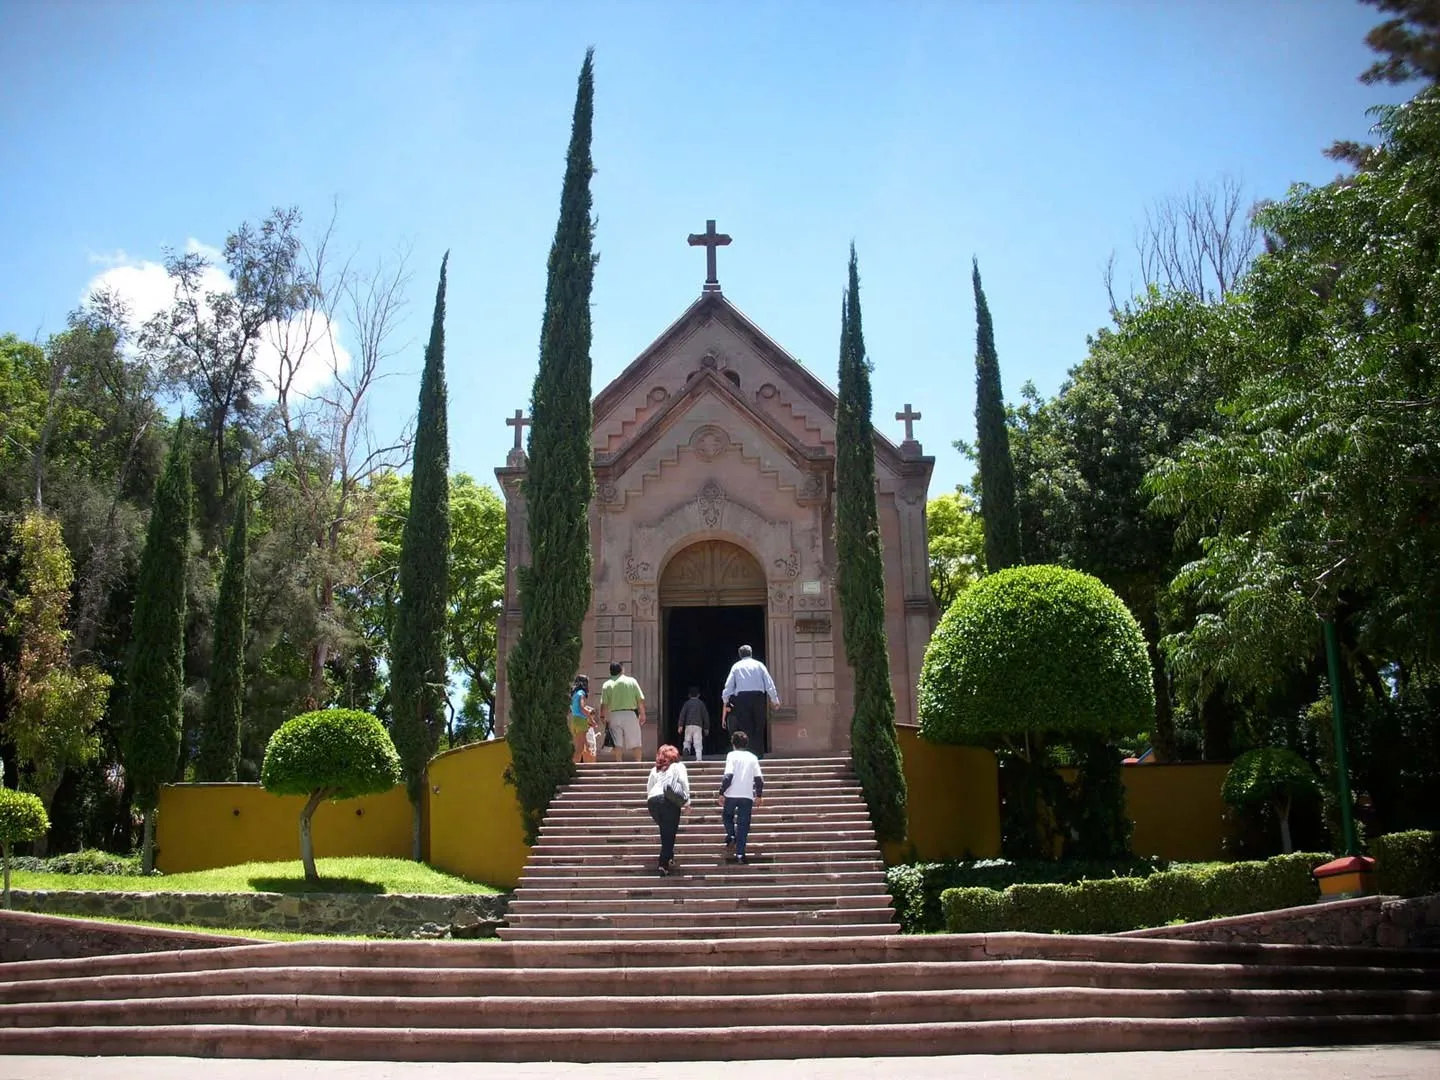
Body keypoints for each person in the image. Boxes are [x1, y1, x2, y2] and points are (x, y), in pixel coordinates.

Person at [721, 644, 779, 757]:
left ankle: (749, 754)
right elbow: (769, 683)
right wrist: (774, 699)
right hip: (758, 698)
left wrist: (725, 700)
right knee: (759, 725)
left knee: (745, 727)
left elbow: (728, 686)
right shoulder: (759, 665)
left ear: (740, 655)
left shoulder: (736, 667)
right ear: (751, 653)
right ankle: (758, 755)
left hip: (742, 699)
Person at [718, 730, 764, 864]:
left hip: (732, 793)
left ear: (733, 744)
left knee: (727, 815)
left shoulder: (731, 755)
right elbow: (759, 779)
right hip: (747, 795)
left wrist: (722, 792)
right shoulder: (753, 757)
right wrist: (759, 795)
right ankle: (740, 855)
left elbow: (728, 776)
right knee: (743, 825)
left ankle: (731, 835)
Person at [646, 744, 690, 876]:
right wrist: (687, 802)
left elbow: (649, 786)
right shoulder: (679, 766)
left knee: (665, 829)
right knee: (669, 832)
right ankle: (663, 863)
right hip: (669, 800)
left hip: (653, 800)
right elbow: (683, 782)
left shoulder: (655, 769)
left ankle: (669, 856)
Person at [599, 660, 647, 762]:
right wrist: (642, 714)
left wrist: (602, 717)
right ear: (621, 670)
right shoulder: (632, 681)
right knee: (635, 741)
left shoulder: (606, 684)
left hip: (614, 715)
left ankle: (619, 763)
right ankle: (638, 763)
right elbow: (640, 699)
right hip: (630, 714)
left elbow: (604, 704)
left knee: (617, 742)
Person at [569, 673, 597, 763]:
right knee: (580, 748)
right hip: (581, 720)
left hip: (574, 720)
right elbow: (582, 707)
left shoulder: (574, 694)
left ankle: (575, 765)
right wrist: (591, 718)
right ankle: (573, 766)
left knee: (580, 746)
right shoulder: (582, 693)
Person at [677, 686, 710, 762]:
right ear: (698, 695)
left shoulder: (687, 704)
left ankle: (686, 748)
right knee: (697, 742)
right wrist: (706, 728)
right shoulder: (701, 704)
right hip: (698, 726)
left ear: (689, 695)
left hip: (688, 725)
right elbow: (705, 716)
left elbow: (682, 714)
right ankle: (698, 758)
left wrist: (680, 725)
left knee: (687, 740)